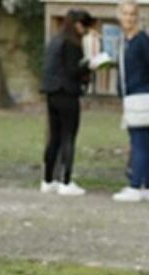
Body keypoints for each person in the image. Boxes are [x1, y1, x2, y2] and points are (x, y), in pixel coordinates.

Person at [40, 9, 96, 196]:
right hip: (67, 93)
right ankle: (66, 180)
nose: (85, 31)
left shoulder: (54, 41)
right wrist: (88, 67)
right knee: (68, 136)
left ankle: (48, 179)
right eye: (84, 27)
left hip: (52, 93)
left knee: (54, 137)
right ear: (78, 25)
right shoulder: (72, 44)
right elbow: (73, 70)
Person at [113, 0, 149, 203]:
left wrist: (142, 85)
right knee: (144, 141)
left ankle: (136, 185)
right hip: (129, 95)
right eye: (125, 14)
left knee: (140, 141)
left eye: (132, 14)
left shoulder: (143, 41)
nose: (129, 18)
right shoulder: (124, 42)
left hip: (140, 94)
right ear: (120, 16)